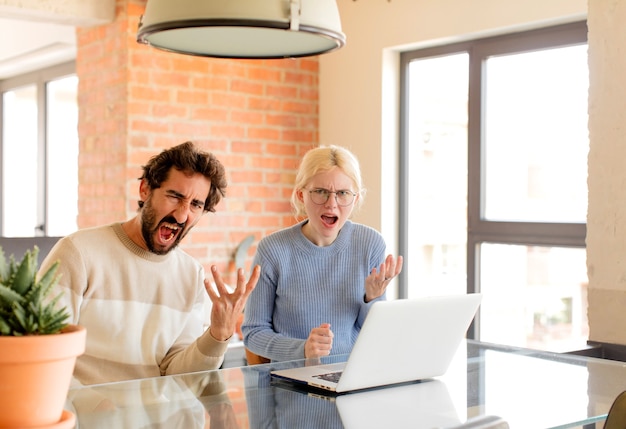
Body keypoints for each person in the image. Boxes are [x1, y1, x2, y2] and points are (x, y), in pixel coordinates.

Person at [39, 141, 260, 385]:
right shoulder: (78, 253)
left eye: (196, 205)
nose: (182, 214)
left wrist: (219, 335)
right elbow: (45, 356)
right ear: (145, 189)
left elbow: (179, 376)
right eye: (175, 196)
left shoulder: (191, 274)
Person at [241, 145, 403, 362]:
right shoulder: (272, 250)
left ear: (354, 199)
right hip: (293, 385)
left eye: (343, 193)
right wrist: (303, 350)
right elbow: (253, 333)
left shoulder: (370, 244)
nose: (331, 204)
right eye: (320, 192)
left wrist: (371, 298)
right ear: (301, 195)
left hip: (351, 379)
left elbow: (375, 334)